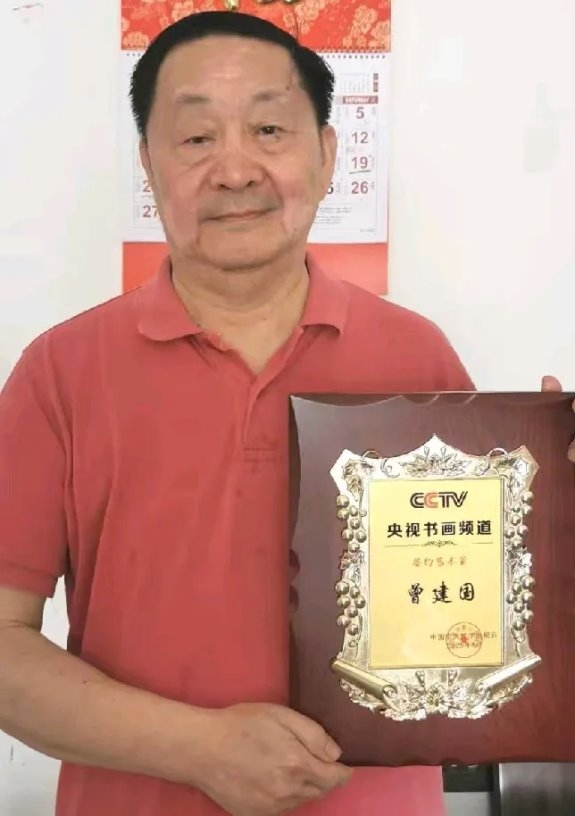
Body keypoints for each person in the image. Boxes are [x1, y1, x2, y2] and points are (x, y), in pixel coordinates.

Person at [0, 10, 571, 816]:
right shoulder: (60, 371)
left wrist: (553, 516)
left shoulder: (415, 356)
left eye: (269, 129)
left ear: (326, 153)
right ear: (148, 165)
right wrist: (198, 748)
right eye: (196, 137)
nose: (235, 169)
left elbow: (485, 611)